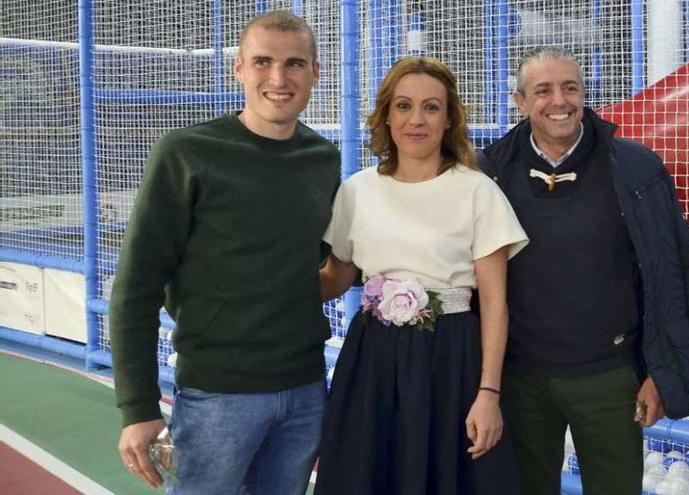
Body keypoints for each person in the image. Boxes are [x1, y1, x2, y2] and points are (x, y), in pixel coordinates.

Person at [477, 46, 689, 495]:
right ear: (519, 101)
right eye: (543, 90)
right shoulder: (489, 174)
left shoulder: (634, 167)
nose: (559, 100)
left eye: (570, 87)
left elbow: (671, 274)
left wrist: (659, 370)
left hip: (610, 376)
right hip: (519, 379)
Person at [109, 10, 339, 495]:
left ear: (315, 72)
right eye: (262, 62)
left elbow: (317, 263)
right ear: (238, 69)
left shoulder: (323, 159)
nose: (278, 78)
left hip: (304, 391)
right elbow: (136, 286)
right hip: (217, 395)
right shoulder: (186, 153)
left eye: (295, 63)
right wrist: (138, 407)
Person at [314, 56, 528, 495]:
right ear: (387, 115)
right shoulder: (357, 189)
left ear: (449, 118)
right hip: (372, 359)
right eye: (404, 105)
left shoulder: (477, 191)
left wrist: (488, 393)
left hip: (450, 361)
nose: (417, 120)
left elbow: (493, 303)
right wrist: (263, 276)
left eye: (431, 107)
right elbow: (335, 278)